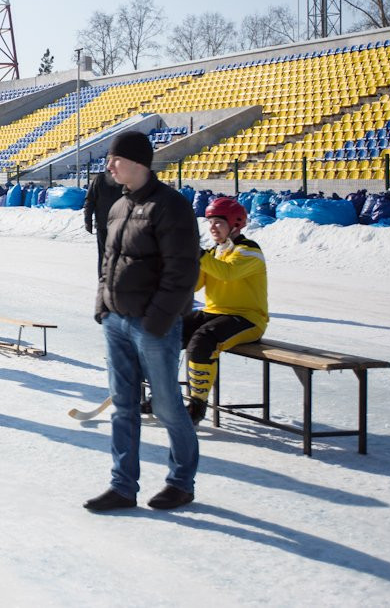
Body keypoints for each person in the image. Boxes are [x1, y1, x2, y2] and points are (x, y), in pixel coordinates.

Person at [86, 130, 200, 513]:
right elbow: (109, 261)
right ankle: (123, 485)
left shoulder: (171, 206)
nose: (109, 166)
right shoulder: (118, 206)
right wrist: (103, 305)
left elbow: (182, 271)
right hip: (116, 321)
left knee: (167, 406)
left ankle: (181, 482)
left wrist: (158, 319)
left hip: (151, 326)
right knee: (123, 406)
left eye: (115, 159)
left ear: (136, 162)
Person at [182, 196, 269, 423]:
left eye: (219, 222)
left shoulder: (249, 251)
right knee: (169, 331)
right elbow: (197, 284)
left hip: (247, 318)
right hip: (215, 312)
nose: (212, 227)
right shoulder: (214, 252)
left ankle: (197, 406)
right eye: (210, 222)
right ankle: (164, 394)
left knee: (203, 340)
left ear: (235, 224)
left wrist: (198, 254)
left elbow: (227, 273)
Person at [83, 168, 122, 273]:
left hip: (116, 225)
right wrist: (88, 221)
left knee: (113, 255)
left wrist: (88, 221)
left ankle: (111, 279)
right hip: (105, 225)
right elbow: (90, 201)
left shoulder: (122, 179)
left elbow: (89, 201)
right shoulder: (100, 180)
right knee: (106, 255)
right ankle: (105, 280)